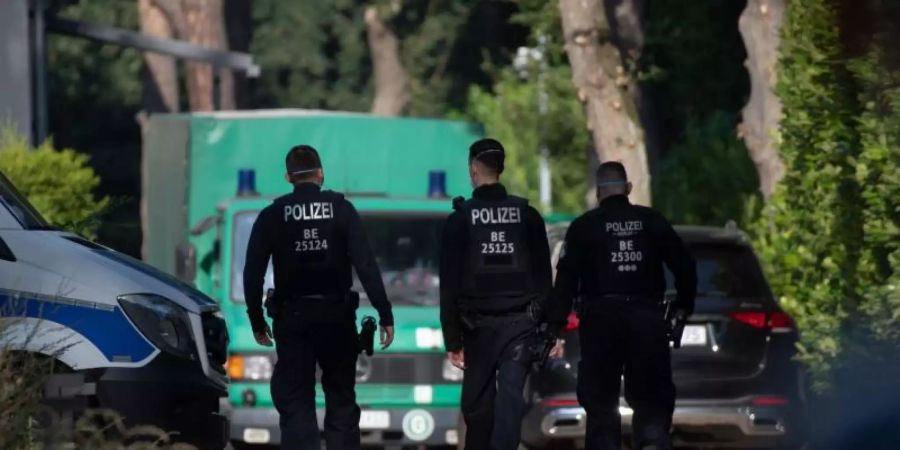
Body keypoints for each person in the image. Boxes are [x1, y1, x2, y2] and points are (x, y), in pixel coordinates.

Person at [243, 145, 395, 450]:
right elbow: (366, 265)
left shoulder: (272, 216)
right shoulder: (341, 210)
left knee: (297, 402)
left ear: (288, 177)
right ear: (321, 174)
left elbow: (253, 273)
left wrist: (257, 321)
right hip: (336, 320)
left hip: (293, 322)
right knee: (341, 401)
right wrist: (384, 314)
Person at [547, 161, 697, 450]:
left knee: (601, 402)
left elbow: (565, 281)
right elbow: (684, 264)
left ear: (598, 192)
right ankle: (652, 442)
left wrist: (554, 325)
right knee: (652, 398)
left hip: (601, 322)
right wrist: (683, 305)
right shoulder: (652, 221)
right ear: (628, 188)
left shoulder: (583, 227)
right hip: (647, 320)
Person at [439, 138, 555, 450]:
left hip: (478, 330)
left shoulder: (460, 220)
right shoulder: (527, 216)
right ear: (500, 168)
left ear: (474, 169)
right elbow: (545, 279)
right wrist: (551, 329)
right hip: (521, 326)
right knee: (511, 401)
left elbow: (448, 287)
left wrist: (452, 340)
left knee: (478, 407)